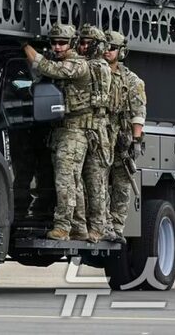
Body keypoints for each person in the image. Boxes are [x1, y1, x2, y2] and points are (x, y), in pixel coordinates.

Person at [23, 24, 92, 241]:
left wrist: (25, 46)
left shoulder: (78, 65)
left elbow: (49, 69)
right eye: (53, 42)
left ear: (71, 43)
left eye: (62, 42)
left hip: (75, 132)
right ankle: (79, 227)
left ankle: (63, 227)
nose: (57, 47)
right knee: (73, 181)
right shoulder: (58, 62)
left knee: (65, 180)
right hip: (60, 132)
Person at [103, 30, 146, 243]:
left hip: (122, 138)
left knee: (121, 184)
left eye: (111, 47)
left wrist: (135, 141)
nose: (107, 51)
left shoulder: (132, 80)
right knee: (98, 182)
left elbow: (138, 112)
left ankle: (117, 225)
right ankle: (104, 226)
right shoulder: (95, 72)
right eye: (104, 46)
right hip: (100, 136)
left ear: (121, 51)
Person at [73, 24, 113, 243]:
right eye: (82, 42)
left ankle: (97, 227)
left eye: (88, 43)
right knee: (78, 181)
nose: (83, 47)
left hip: (96, 130)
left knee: (96, 182)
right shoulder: (89, 64)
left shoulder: (97, 66)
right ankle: (84, 226)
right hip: (87, 129)